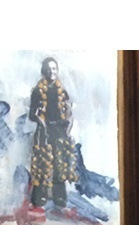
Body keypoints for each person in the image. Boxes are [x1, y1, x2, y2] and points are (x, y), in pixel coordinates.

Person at [28, 57, 77, 210]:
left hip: (60, 131)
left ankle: (59, 197)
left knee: (59, 163)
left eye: (54, 68)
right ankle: (39, 197)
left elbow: (69, 112)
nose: (51, 72)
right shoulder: (37, 91)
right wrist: (41, 122)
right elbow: (32, 115)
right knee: (42, 163)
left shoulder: (62, 91)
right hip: (44, 131)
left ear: (57, 70)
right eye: (48, 69)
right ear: (44, 71)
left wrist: (68, 127)